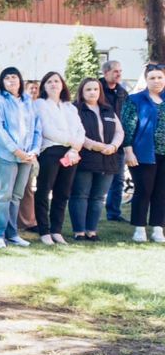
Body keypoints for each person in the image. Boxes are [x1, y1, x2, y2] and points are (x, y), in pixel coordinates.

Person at [0, 67, 41, 249]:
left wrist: (34, 150)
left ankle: (12, 233)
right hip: (4, 155)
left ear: (20, 80)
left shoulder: (29, 102)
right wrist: (16, 150)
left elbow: (37, 128)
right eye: (7, 78)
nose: (11, 80)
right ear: (2, 82)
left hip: (26, 156)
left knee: (16, 196)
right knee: (2, 195)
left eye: (14, 77)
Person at [32, 72, 85, 245]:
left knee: (62, 193)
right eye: (49, 82)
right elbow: (46, 130)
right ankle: (44, 230)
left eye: (56, 81)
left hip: (71, 153)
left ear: (62, 84)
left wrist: (75, 148)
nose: (53, 84)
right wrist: (71, 141)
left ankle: (56, 230)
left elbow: (80, 130)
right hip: (50, 151)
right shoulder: (40, 104)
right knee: (43, 191)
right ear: (44, 86)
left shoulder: (70, 107)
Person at [70, 77, 123, 240]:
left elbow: (119, 132)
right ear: (82, 92)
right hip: (85, 158)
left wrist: (113, 146)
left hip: (108, 159)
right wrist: (97, 146)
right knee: (80, 195)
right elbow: (76, 133)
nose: (92, 92)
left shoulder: (108, 110)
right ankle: (79, 231)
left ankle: (91, 230)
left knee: (98, 197)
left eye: (96, 89)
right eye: (88, 89)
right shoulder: (75, 109)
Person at [120, 63, 165, 243]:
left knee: (161, 192)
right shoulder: (135, 99)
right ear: (146, 80)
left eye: (160, 77)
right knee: (144, 190)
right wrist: (129, 151)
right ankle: (139, 228)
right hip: (143, 154)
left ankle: (157, 228)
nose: (156, 81)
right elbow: (127, 127)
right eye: (152, 78)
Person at [101, 60, 130, 221]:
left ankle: (113, 213)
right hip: (98, 141)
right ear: (106, 73)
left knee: (118, 180)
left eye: (120, 71)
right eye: (115, 71)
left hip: (117, 143)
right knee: (96, 180)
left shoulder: (122, 92)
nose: (119, 74)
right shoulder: (96, 88)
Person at [17, 79, 41, 230]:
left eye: (36, 88)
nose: (34, 91)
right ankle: (26, 222)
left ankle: (28, 220)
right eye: (31, 88)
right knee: (24, 189)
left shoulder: (39, 106)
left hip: (36, 152)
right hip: (21, 152)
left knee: (28, 188)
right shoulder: (21, 106)